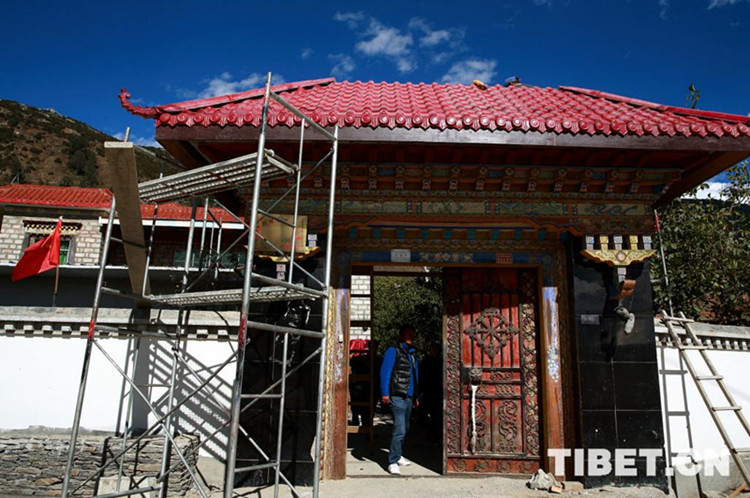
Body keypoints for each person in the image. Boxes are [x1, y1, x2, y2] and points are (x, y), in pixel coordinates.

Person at [379, 324, 419, 475]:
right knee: (400, 428)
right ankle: (392, 461)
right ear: (401, 335)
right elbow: (385, 372)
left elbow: (415, 376)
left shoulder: (412, 353)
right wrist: (385, 393)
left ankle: (398, 453)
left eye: (412, 334)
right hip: (397, 395)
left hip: (408, 397)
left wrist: (416, 396)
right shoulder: (393, 351)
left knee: (405, 427)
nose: (410, 336)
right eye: (407, 333)